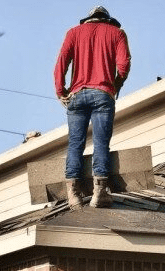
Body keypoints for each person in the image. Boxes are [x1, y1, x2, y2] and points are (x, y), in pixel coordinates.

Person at [54, 5, 131, 209]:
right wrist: (114, 86)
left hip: (77, 95)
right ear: (107, 20)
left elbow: (62, 61)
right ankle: (99, 193)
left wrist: (60, 91)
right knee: (101, 143)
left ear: (88, 20)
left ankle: (73, 195)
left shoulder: (73, 33)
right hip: (103, 94)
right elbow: (123, 65)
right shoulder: (117, 33)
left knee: (75, 144)